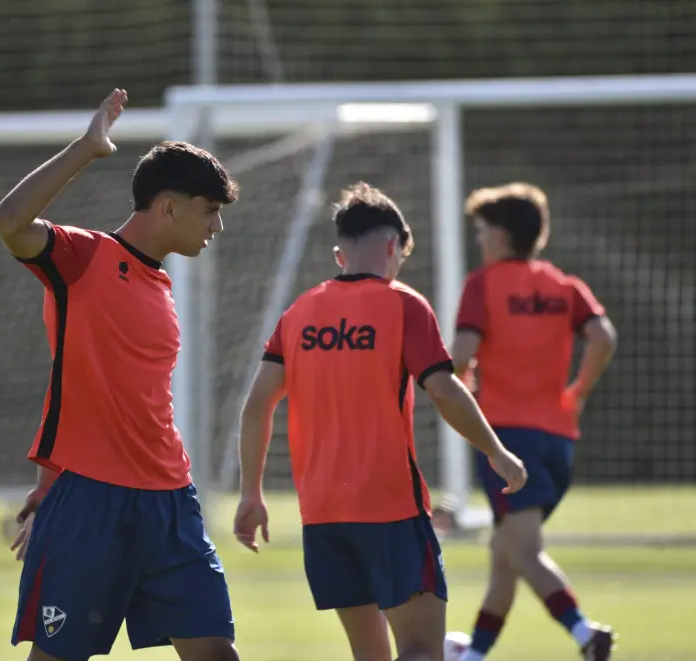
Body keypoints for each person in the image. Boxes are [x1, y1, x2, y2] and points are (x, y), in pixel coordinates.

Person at [0, 89, 242, 661]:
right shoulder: (84, 259)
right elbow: (9, 221)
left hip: (170, 500)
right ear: (171, 207)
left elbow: (118, 399)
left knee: (216, 652)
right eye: (210, 210)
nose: (217, 226)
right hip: (92, 504)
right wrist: (85, 149)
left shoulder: (160, 286)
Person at [232, 182, 528, 661]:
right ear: (394, 246)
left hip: (324, 517)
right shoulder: (403, 304)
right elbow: (446, 389)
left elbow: (258, 403)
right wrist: (497, 451)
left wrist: (251, 493)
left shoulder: (299, 313)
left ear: (339, 253)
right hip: (389, 509)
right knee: (420, 649)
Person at [450, 183, 619, 661]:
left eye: (482, 232)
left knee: (522, 553)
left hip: (506, 442)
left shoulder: (482, 285)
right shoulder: (563, 285)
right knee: (505, 557)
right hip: (559, 442)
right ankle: (474, 655)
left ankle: (587, 636)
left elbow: (461, 356)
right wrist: (578, 392)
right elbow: (603, 336)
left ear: (501, 236)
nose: (479, 241)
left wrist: (453, 390)